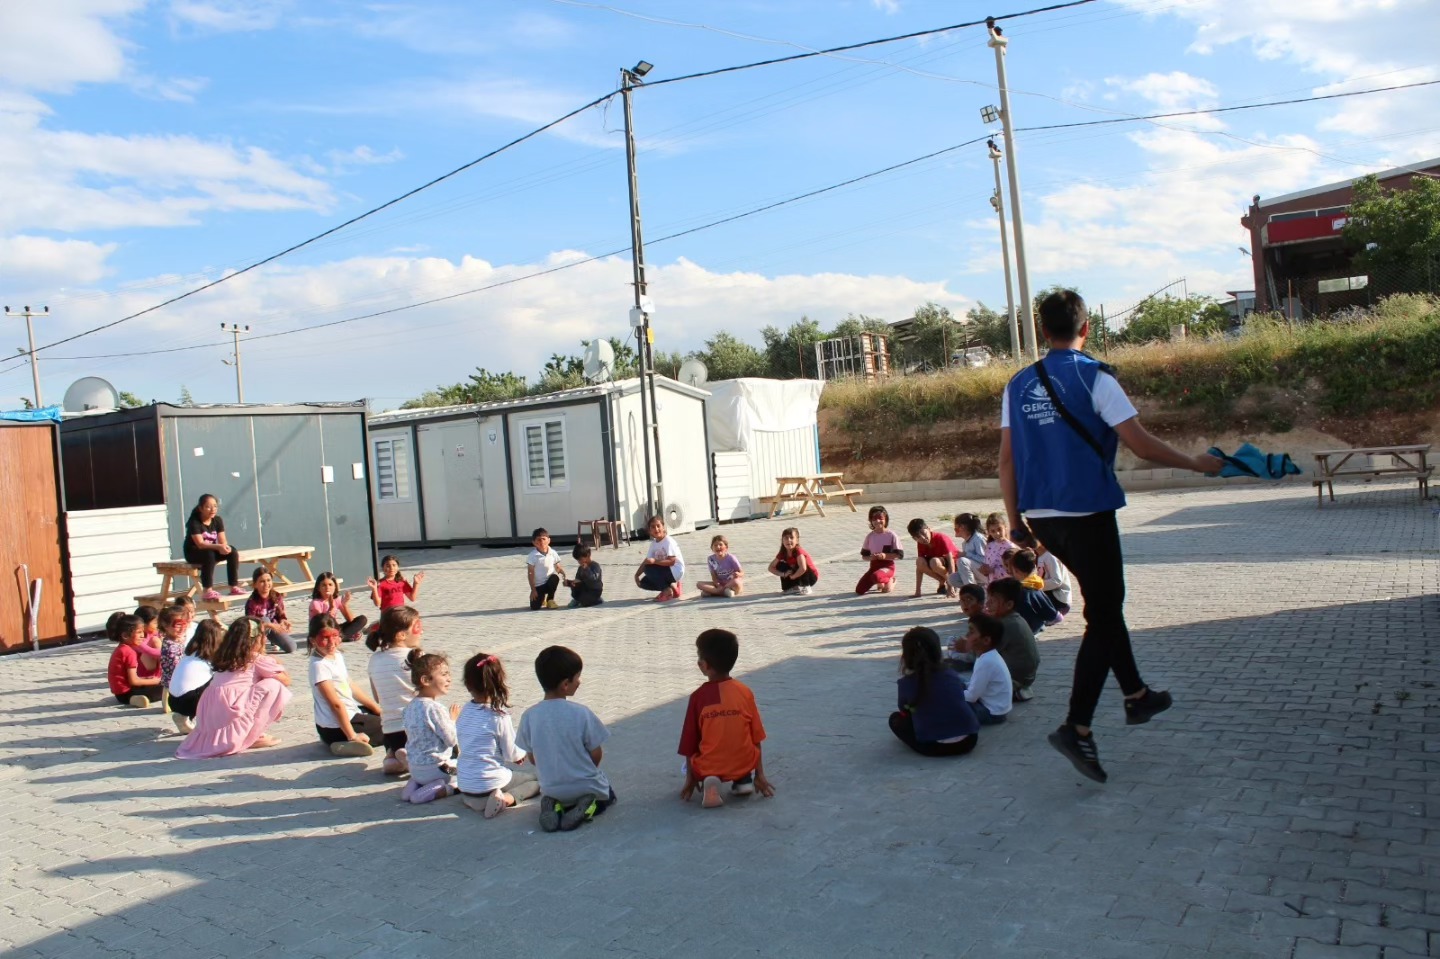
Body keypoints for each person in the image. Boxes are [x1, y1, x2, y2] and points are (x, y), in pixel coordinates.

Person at [999, 290, 1225, 782]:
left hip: (1043, 518)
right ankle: (1076, 727)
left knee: (1104, 606)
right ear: (1087, 329)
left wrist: (1015, 521)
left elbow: (1007, 460)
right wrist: (1196, 463)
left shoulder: (1017, 384)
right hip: (1088, 513)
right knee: (1103, 614)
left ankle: (1137, 695)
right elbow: (1140, 445)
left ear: (1042, 332)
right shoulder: (1095, 376)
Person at [515, 645, 615, 832]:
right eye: (577, 677)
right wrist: (584, 769)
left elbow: (533, 758)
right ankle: (587, 807)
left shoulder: (529, 716)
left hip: (551, 787)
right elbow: (596, 752)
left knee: (557, 794)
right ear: (565, 685)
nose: (580, 681)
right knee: (608, 796)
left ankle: (553, 805)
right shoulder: (581, 713)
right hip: (586, 785)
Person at [678, 629, 775, 808]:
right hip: (744, 762)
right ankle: (744, 781)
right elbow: (756, 738)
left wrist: (691, 778)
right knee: (741, 752)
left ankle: (710, 780)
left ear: (704, 665)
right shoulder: (744, 692)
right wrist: (759, 774)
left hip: (710, 765)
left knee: (703, 757)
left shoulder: (698, 697)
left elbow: (689, 742)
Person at [175, 617, 292, 759]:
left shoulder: (223, 655)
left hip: (210, 711)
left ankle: (241, 734)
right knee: (273, 685)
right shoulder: (255, 659)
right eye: (263, 636)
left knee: (258, 682)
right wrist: (276, 662)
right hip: (229, 711)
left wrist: (266, 625)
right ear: (256, 640)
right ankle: (253, 734)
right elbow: (286, 680)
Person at [455, 652, 541, 818]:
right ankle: (506, 799)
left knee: (491, 781)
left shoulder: (465, 711)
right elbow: (512, 752)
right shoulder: (498, 716)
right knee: (534, 781)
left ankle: (480, 800)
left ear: (467, 684)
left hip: (465, 784)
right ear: (499, 683)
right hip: (490, 781)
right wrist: (519, 755)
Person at [889, 627, 980, 757]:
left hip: (933, 745)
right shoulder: (951, 674)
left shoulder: (906, 683)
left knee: (895, 719)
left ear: (906, 656)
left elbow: (904, 709)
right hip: (969, 740)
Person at [309, 615, 384, 758]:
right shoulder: (319, 666)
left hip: (347, 715)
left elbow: (350, 685)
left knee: (386, 715)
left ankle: (342, 739)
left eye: (335, 636)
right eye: (325, 638)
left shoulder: (336, 655)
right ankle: (347, 742)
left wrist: (375, 708)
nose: (331, 642)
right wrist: (352, 735)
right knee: (392, 727)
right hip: (334, 728)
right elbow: (335, 704)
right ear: (313, 640)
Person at [367, 605, 422, 775]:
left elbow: (377, 697)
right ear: (401, 635)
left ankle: (392, 757)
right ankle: (411, 759)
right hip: (414, 728)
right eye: (417, 627)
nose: (421, 632)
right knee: (449, 749)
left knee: (397, 745)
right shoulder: (416, 656)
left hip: (390, 731)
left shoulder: (374, 659)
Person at [400, 653, 459, 804]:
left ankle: (414, 786)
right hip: (437, 769)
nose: (449, 679)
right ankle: (442, 788)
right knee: (470, 772)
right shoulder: (434, 708)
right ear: (426, 680)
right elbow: (451, 740)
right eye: (444, 674)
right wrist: (453, 720)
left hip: (415, 768)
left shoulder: (410, 706)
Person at [984, 579, 1041, 700]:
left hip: (1016, 679)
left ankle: (1014, 690)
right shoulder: (1013, 619)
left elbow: (985, 651)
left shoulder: (1006, 624)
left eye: (992, 601)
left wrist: (966, 647)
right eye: (987, 599)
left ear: (1009, 605)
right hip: (1026, 677)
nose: (987, 604)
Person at [184, 494, 246, 601]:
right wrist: (219, 547)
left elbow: (223, 540)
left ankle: (233, 586)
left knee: (233, 551)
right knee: (209, 554)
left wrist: (225, 547)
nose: (212, 509)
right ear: (200, 508)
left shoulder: (217, 520)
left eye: (215, 506)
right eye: (208, 506)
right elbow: (200, 544)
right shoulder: (194, 522)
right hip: (193, 552)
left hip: (210, 550)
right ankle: (207, 590)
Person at [168, 619, 224, 733]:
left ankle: (184, 717)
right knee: (221, 679)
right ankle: (209, 724)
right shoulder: (209, 658)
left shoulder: (190, 654)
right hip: (190, 701)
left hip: (173, 700)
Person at [962, 614, 1013, 726]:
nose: (967, 635)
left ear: (986, 640)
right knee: (957, 681)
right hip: (993, 706)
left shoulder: (986, 661)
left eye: (971, 632)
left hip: (992, 713)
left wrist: (952, 693)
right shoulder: (987, 655)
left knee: (951, 704)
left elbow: (971, 697)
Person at [1012, 528, 1074, 614]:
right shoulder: (1037, 556)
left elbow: (1057, 581)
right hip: (1049, 593)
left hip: (1059, 596)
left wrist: (1037, 585)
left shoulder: (1050, 556)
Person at [107, 613, 162, 708]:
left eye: (143, 632)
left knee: (155, 683)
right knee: (165, 687)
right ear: (125, 635)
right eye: (139, 632)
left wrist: (148, 680)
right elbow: (134, 681)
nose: (143, 636)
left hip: (120, 693)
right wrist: (157, 681)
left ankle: (135, 698)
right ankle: (134, 699)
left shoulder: (122, 648)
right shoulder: (129, 652)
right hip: (126, 692)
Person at [244, 568, 297, 654]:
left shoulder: (276, 596)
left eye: (268, 580)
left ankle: (273, 641)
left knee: (291, 647)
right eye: (262, 581)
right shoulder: (252, 602)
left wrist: (284, 621)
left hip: (272, 628)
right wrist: (271, 625)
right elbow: (252, 625)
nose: (266, 584)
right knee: (264, 620)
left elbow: (280, 614)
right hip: (256, 633)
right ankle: (259, 647)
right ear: (255, 585)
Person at [635, 515, 685, 603]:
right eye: (653, 527)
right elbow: (646, 561)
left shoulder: (668, 541)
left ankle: (667, 591)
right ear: (650, 531)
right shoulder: (653, 544)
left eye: (658, 526)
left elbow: (672, 562)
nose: (656, 529)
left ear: (663, 527)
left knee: (648, 568)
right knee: (643, 582)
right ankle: (674, 588)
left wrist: (655, 561)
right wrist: (637, 575)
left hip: (675, 571)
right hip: (666, 571)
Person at [856, 505, 903, 595]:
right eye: (874, 519)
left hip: (887, 567)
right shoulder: (870, 536)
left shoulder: (891, 535)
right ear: (871, 521)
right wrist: (872, 558)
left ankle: (891, 580)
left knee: (884, 588)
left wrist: (885, 556)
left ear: (885, 519)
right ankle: (879, 581)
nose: (877, 521)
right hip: (874, 566)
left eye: (880, 518)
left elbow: (899, 555)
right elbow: (864, 556)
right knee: (859, 590)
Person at [907, 518, 959, 598]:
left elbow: (951, 560)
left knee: (934, 562)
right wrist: (918, 590)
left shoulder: (941, 538)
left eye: (924, 533)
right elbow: (919, 568)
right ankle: (941, 580)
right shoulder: (920, 543)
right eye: (918, 537)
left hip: (955, 566)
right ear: (914, 539)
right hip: (939, 565)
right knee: (919, 561)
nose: (923, 538)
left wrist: (950, 585)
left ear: (929, 529)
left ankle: (952, 582)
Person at [310, 573, 367, 642]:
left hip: (333, 628)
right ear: (318, 588)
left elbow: (351, 620)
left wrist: (345, 605)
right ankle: (341, 637)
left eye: (330, 585)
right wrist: (330, 608)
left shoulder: (336, 599)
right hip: (321, 632)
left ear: (335, 587)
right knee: (330, 630)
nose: (327, 588)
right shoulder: (315, 603)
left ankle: (340, 637)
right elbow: (322, 624)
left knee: (362, 619)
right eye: (324, 585)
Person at [768, 527, 818, 595]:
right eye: (786, 538)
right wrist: (783, 574)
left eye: (791, 537)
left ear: (797, 540)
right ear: (782, 541)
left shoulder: (799, 551)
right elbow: (771, 567)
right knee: (780, 564)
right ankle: (793, 588)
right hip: (796, 574)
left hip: (811, 576)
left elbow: (803, 568)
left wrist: (794, 576)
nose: (789, 540)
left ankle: (806, 586)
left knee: (800, 564)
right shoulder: (782, 553)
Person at [157, 606, 188, 707]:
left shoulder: (174, 640)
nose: (182, 628)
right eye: (178, 625)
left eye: (185, 624)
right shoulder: (171, 647)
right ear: (165, 625)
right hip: (176, 682)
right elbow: (177, 667)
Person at [527, 528, 564, 611]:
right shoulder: (532, 556)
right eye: (538, 540)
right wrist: (533, 590)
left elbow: (557, 566)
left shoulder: (553, 552)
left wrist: (563, 574)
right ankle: (541, 598)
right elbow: (530, 573)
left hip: (549, 583)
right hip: (538, 586)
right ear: (534, 542)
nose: (541, 542)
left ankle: (550, 600)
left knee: (555, 578)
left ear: (548, 540)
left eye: (544, 539)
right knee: (534, 607)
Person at [948, 513, 989, 588]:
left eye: (956, 527)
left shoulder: (978, 538)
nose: (955, 530)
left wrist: (966, 554)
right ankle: (979, 589)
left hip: (987, 572)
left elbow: (985, 559)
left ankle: (971, 592)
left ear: (962, 527)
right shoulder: (965, 543)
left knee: (962, 561)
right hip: (978, 572)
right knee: (952, 578)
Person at [979, 513, 1016, 586]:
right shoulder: (989, 546)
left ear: (1005, 528)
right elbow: (987, 564)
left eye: (999, 529)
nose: (997, 533)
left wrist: (993, 570)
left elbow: (1013, 571)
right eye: (993, 531)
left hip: (1007, 586)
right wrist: (984, 570)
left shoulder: (1010, 547)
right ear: (989, 532)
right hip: (992, 585)